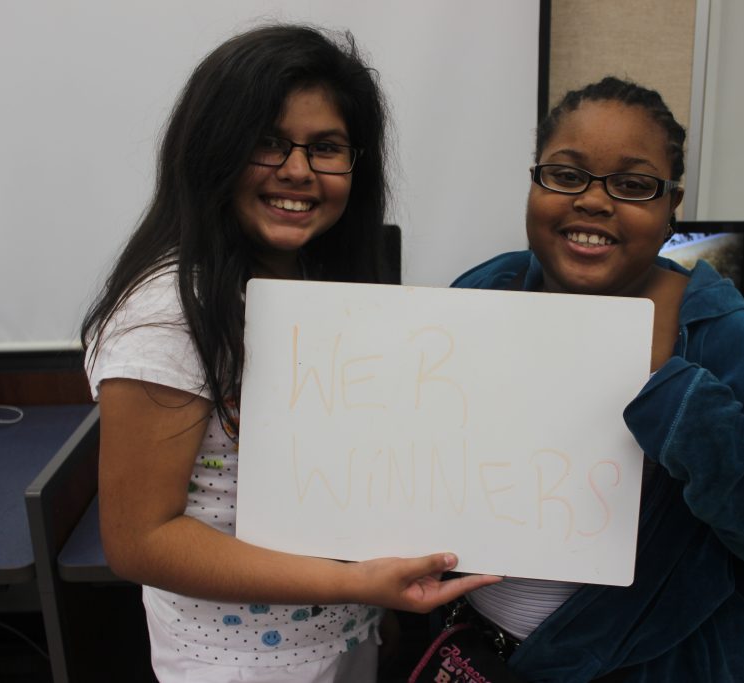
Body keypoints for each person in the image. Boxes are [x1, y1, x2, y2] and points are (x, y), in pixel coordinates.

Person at [81, 24, 497, 683]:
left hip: (339, 639)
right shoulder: (168, 310)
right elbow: (139, 540)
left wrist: (365, 599)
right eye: (267, 143)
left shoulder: (305, 284)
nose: (298, 170)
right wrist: (358, 583)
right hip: (237, 666)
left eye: (326, 147)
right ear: (212, 149)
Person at [451, 76, 744, 682]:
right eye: (566, 175)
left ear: (671, 204)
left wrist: (681, 405)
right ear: (533, 181)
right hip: (481, 654)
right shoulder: (484, 291)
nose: (594, 201)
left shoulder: (724, 336)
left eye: (633, 184)